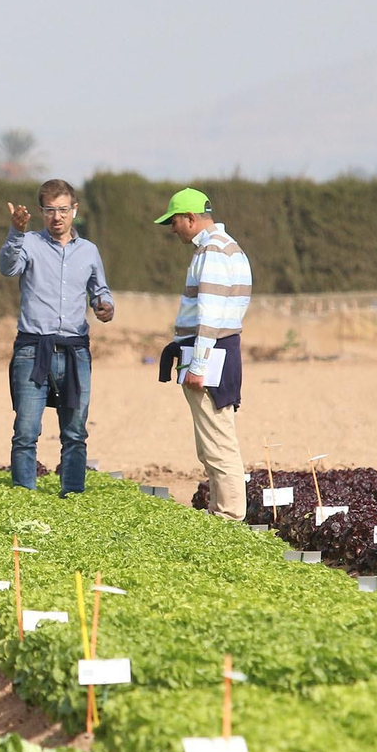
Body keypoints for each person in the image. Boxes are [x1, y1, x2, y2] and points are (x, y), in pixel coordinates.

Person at [0, 178, 114, 496]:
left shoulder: (89, 251)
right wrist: (15, 232)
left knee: (75, 432)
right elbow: (7, 268)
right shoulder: (29, 243)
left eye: (63, 209)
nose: (57, 216)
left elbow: (100, 290)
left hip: (75, 351)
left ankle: (73, 493)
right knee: (26, 430)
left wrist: (104, 306)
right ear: (41, 212)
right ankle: (25, 494)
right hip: (33, 349)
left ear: (74, 209)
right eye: (50, 210)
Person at [155, 187, 252, 520]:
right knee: (212, 441)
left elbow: (209, 314)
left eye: (174, 222)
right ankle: (220, 510)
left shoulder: (212, 251)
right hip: (219, 351)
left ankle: (229, 516)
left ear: (190, 218)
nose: (173, 229)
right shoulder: (229, 247)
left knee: (217, 443)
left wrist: (198, 364)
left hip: (211, 355)